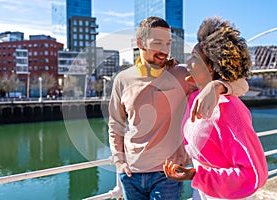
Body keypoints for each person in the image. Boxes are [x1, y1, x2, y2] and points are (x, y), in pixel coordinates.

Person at [108, 16, 249, 200]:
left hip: (167, 174)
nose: (164, 50)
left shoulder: (182, 74)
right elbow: (115, 125)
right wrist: (120, 162)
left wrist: (217, 86)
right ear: (140, 43)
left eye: (168, 43)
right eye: (158, 43)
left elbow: (242, 85)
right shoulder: (122, 79)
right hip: (130, 174)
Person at [163, 17, 268, 199]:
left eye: (194, 58)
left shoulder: (228, 110)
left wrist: (197, 175)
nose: (187, 63)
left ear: (210, 67)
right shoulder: (195, 94)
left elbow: (254, 174)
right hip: (202, 192)